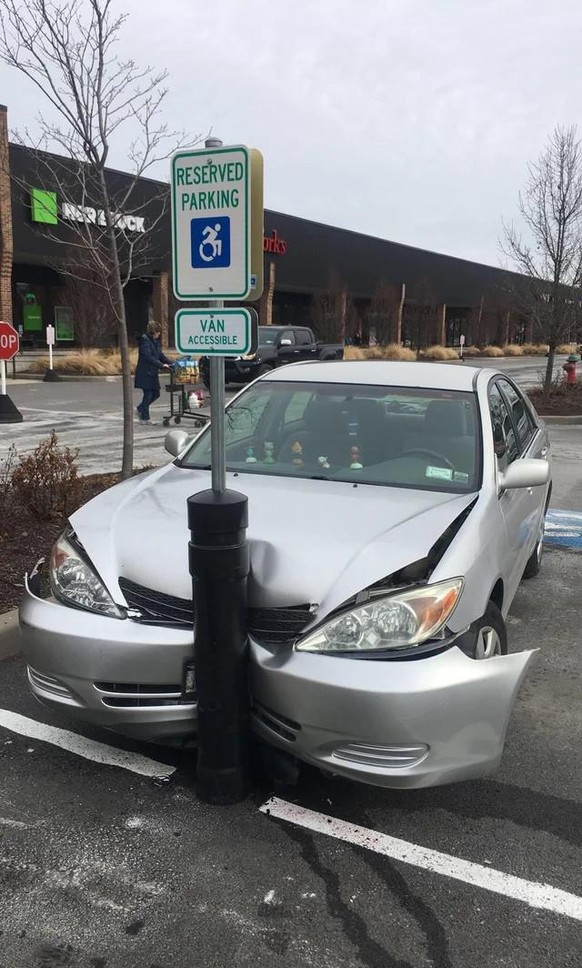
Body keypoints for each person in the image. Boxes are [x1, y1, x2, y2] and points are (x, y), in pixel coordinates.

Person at [134, 321, 172, 424]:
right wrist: (161, 365)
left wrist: (170, 363)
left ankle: (140, 408)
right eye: (158, 332)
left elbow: (160, 355)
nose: (159, 334)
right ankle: (144, 418)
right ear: (153, 332)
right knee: (148, 394)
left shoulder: (155, 342)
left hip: (152, 372)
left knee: (156, 393)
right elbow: (148, 357)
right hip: (145, 371)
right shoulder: (145, 341)